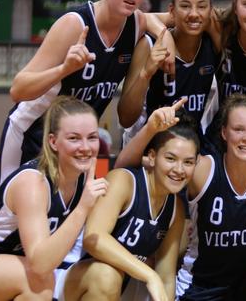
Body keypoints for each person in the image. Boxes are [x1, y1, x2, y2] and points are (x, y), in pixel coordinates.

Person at [115, 94, 246, 300]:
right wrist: (150, 128)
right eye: (239, 129)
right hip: (202, 284)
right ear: (224, 132)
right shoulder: (203, 169)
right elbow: (126, 169)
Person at [0, 0, 154, 184]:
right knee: (11, 218)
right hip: (32, 134)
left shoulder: (136, 24)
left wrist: (163, 33)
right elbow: (17, 90)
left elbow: (178, 18)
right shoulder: (75, 23)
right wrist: (64, 69)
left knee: (69, 217)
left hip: (75, 143)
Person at [62, 99, 197, 301]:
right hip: (71, 277)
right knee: (107, 276)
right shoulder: (123, 181)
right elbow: (93, 238)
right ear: (152, 157)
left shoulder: (175, 208)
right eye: (170, 159)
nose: (179, 169)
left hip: (116, 289)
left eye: (188, 162)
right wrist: (149, 275)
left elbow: (166, 277)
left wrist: (156, 279)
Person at [0, 96, 108, 300]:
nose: (85, 147)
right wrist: (83, 207)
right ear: (53, 141)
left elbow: (124, 164)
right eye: (74, 138)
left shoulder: (87, 175)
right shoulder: (33, 183)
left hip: (22, 263)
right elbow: (40, 265)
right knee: (38, 283)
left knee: (103, 275)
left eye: (92, 137)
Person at [120, 0, 220, 150]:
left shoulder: (213, 43)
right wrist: (146, 74)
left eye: (201, 6)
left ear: (210, 11)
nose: (193, 14)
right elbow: (125, 118)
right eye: (185, 6)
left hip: (191, 147)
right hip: (147, 147)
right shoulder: (149, 45)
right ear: (172, 11)